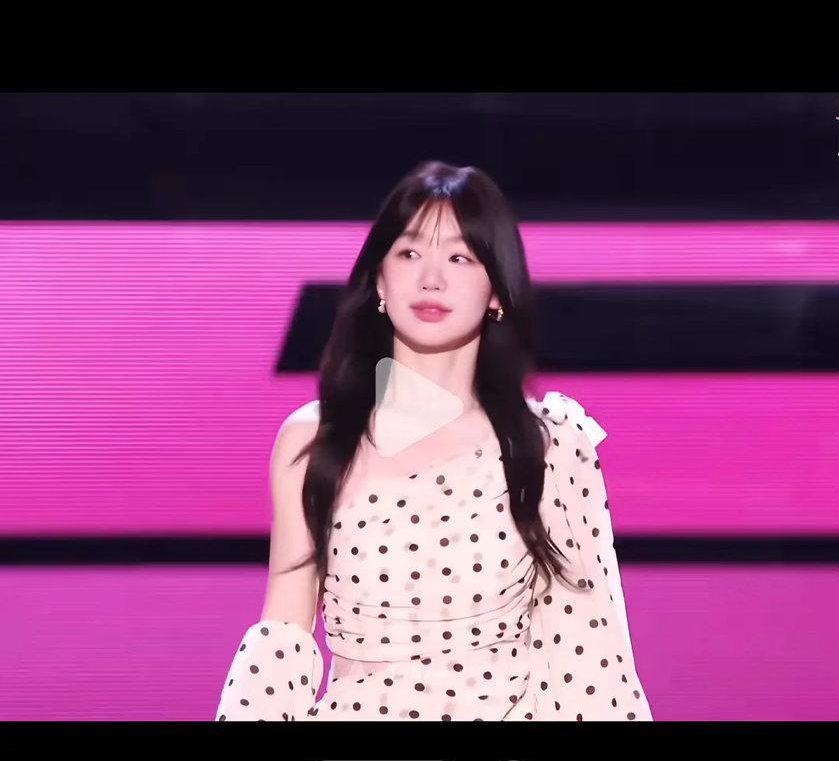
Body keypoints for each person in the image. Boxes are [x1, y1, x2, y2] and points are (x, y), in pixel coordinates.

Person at [215, 160, 653, 722]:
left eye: (460, 258)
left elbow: (588, 654)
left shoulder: (548, 445)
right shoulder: (314, 441)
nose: (431, 279)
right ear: (380, 279)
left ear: (496, 289)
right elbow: (284, 633)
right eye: (409, 253)